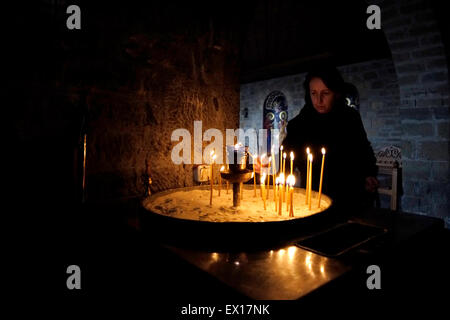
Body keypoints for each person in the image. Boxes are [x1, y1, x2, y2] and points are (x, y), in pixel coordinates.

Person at [282, 65, 379, 213]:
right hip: (312, 199)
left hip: (348, 197)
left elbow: (363, 150)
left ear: (336, 93)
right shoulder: (299, 124)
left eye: (325, 93)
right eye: (313, 93)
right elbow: (287, 158)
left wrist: (369, 174)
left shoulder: (350, 118)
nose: (318, 100)